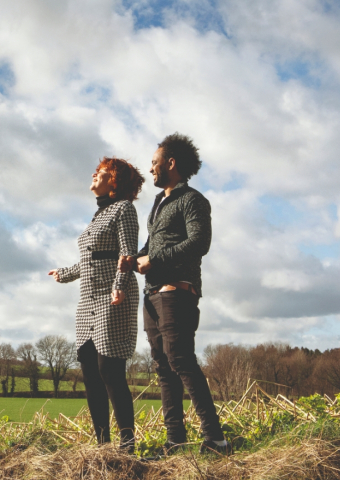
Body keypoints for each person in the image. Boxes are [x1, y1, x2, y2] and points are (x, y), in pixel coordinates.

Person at [119, 133, 230, 455]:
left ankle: (216, 440)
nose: (150, 169)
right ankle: (175, 442)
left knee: (181, 361)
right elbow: (155, 243)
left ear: (171, 163)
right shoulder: (159, 202)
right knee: (163, 369)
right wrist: (135, 258)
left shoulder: (193, 200)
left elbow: (199, 242)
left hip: (176, 291)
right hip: (152, 293)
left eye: (154, 162)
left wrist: (154, 260)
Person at [49, 157, 144, 453]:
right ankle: (103, 447)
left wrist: (119, 286)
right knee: (90, 374)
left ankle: (127, 445)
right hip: (87, 301)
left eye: (100, 172)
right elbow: (91, 259)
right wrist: (65, 273)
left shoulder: (124, 209)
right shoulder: (98, 215)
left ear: (114, 181)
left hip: (112, 296)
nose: (94, 174)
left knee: (110, 371)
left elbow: (127, 253)